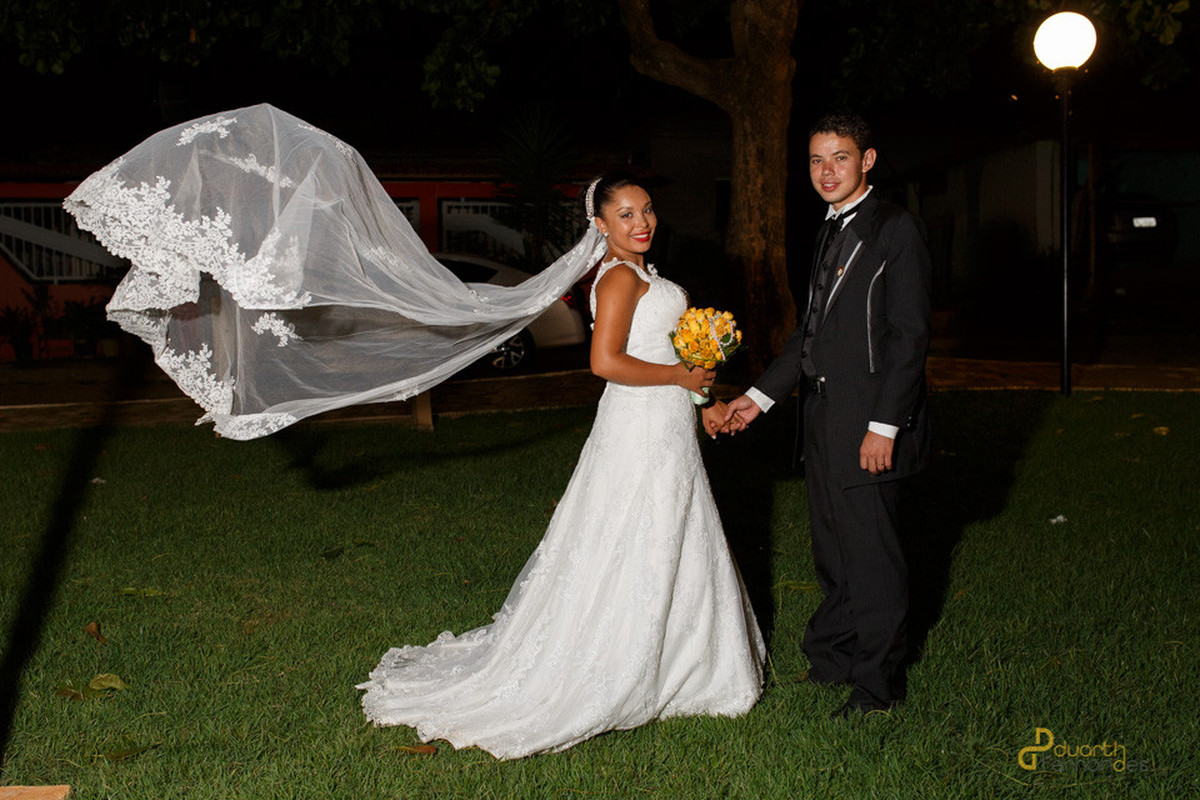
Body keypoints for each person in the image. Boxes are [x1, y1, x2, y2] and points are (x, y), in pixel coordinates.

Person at [357, 173, 766, 758]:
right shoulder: (621, 277)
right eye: (624, 215)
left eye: (646, 209)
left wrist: (701, 399)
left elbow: (661, 355)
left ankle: (683, 661)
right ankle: (623, 665)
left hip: (666, 422)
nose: (641, 222)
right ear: (600, 225)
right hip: (637, 428)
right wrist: (680, 377)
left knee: (670, 531)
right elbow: (605, 362)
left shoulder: (647, 274)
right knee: (633, 535)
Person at [724, 113, 931, 717]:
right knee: (834, 553)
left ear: (868, 160)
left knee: (872, 561)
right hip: (822, 421)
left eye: (840, 157)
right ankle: (832, 659)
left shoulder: (896, 229)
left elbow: (909, 338)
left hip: (869, 425)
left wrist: (884, 426)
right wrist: (757, 400)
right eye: (816, 160)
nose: (826, 171)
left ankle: (876, 689)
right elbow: (808, 336)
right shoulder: (828, 231)